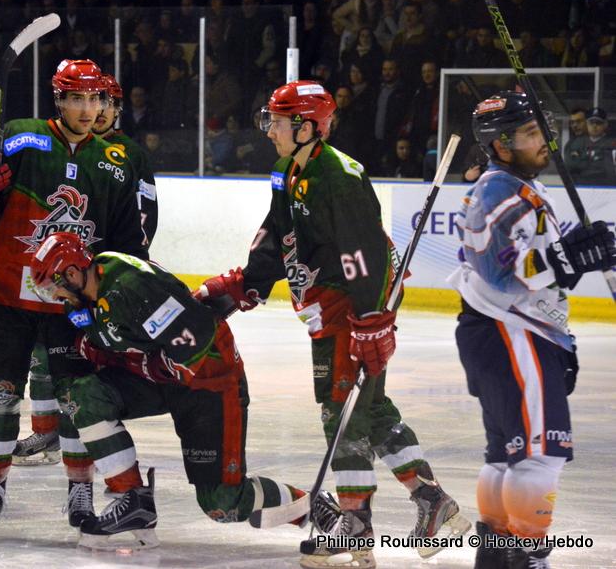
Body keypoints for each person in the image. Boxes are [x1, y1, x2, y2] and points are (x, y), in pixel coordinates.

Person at [196, 81, 470, 568]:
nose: (269, 131)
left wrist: (371, 323)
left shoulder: (340, 176)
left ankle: (355, 525)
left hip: (354, 308)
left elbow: (362, 256)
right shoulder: (287, 171)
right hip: (326, 309)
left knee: (339, 412)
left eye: (277, 123)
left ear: (306, 128)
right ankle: (434, 503)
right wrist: (242, 287)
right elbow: (275, 238)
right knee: (371, 410)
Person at [0, 59, 147, 538]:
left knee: (74, 399)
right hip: (10, 295)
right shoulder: (23, 136)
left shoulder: (115, 163)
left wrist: (115, 292)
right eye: (77, 98)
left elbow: (127, 245)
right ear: (58, 99)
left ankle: (79, 485)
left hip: (71, 305)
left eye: (96, 99)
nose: (88, 109)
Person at [29, 232, 308, 550]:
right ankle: (133, 502)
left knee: (223, 503)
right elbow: (124, 346)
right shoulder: (86, 301)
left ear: (73, 273)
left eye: (55, 287)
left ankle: (314, 509)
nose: (56, 297)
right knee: (83, 396)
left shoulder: (131, 285)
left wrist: (136, 362)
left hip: (210, 381)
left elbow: (193, 340)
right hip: (169, 380)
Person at [450, 91, 616, 568]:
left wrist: (577, 255)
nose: (544, 140)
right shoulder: (497, 191)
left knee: (507, 456)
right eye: (529, 133)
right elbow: (497, 271)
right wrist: (567, 259)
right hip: (511, 331)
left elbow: (533, 263)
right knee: (540, 456)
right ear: (500, 145)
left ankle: (498, 557)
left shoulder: (514, 185)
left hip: (505, 330)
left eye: (542, 129)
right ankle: (527, 557)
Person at [12, 73, 159, 466]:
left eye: (105, 103)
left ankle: (86, 437)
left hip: (96, 276)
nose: (98, 111)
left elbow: (143, 218)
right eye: (93, 101)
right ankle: (47, 432)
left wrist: (121, 267)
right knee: (41, 355)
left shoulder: (129, 155)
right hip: (58, 271)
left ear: (115, 109)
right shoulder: (66, 148)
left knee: (85, 361)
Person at [564, 107, 616, 185]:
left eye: (598, 123)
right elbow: (570, 166)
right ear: (587, 124)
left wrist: (583, 160)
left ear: (605, 124)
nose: (594, 126)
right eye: (591, 122)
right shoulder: (577, 143)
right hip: (580, 187)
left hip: (607, 187)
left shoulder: (612, 144)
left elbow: (609, 170)